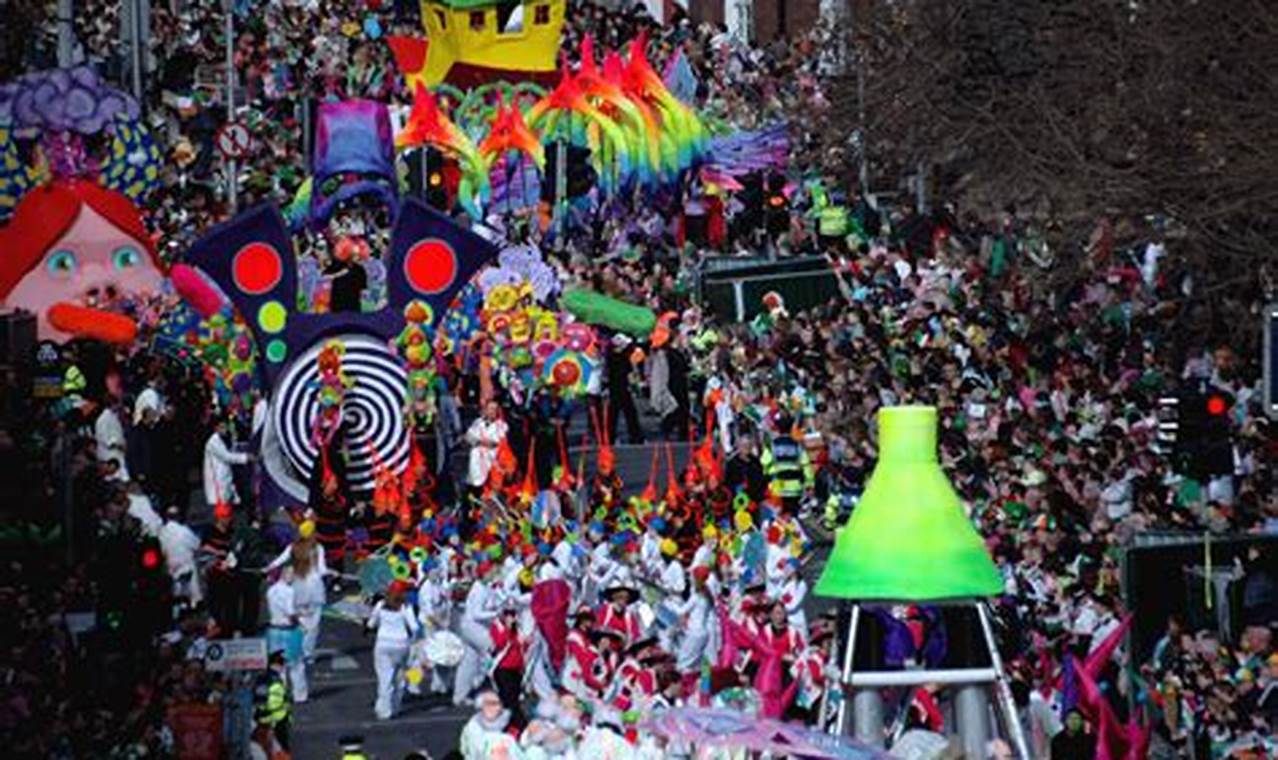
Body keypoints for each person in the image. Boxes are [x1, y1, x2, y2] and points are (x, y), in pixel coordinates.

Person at [263, 520, 329, 669]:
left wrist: (267, 568)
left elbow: (279, 560)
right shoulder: (318, 548)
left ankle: (297, 650)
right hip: (315, 590)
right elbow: (322, 569)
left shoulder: (293, 547)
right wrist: (332, 572)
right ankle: (307, 654)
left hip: (298, 589)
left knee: (300, 623)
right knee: (314, 626)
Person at [367, 580, 421, 720]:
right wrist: (413, 641)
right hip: (402, 644)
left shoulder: (381, 605)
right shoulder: (405, 607)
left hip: (383, 644)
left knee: (385, 678)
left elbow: (371, 623)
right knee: (400, 677)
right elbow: (414, 627)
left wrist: (370, 626)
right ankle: (395, 707)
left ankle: (383, 710)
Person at [265, 566, 308, 703]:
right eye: (291, 574)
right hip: (289, 631)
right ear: (284, 575)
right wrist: (301, 616)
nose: (293, 577)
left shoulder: (270, 591)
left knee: (278, 666)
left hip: (273, 631)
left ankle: (279, 695)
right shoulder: (289, 591)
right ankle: (299, 696)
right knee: (296, 665)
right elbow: (290, 612)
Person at [761, 414, 812, 514]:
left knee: (779, 518)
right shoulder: (798, 446)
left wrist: (768, 478)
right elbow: (806, 466)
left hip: (777, 487)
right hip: (795, 488)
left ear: (778, 429)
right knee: (793, 518)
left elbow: (764, 463)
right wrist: (809, 484)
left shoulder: (772, 445)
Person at [489, 604, 527, 729]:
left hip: (516, 669)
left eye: (512, 614)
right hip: (502, 669)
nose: (510, 617)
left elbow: (522, 647)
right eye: (507, 614)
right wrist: (507, 629)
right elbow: (499, 644)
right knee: (511, 702)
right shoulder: (497, 627)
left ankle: (507, 727)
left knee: (511, 701)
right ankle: (522, 726)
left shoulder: (519, 629)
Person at [158, 505, 202, 606]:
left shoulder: (161, 532)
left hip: (170, 567)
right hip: (186, 567)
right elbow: (197, 545)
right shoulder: (184, 531)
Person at [464, 400, 508, 499]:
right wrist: (480, 442)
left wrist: (484, 442)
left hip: (492, 460)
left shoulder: (502, 425)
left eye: (494, 409)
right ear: (485, 410)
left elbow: (498, 441)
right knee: (474, 486)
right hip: (476, 460)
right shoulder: (478, 422)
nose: (492, 411)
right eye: (490, 408)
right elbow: (469, 436)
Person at [203, 418, 249, 507]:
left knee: (228, 506)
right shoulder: (213, 442)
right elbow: (226, 456)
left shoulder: (224, 439)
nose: (225, 429)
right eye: (222, 427)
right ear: (216, 428)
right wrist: (246, 457)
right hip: (218, 479)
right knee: (222, 509)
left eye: (225, 427)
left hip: (226, 477)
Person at [254, 651, 292, 752]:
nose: (283, 667)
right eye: (281, 664)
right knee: (278, 750)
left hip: (271, 720)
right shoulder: (271, 680)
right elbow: (269, 702)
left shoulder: (264, 677)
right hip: (273, 722)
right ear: (274, 665)